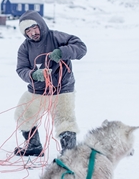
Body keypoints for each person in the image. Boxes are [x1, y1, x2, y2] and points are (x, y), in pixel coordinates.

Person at [13, 10, 87, 156]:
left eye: (34, 27)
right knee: (23, 114)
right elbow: (21, 69)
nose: (33, 33)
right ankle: (34, 147)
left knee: (65, 120)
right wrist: (33, 75)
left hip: (62, 88)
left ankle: (69, 155)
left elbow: (81, 48)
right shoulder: (24, 48)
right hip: (38, 89)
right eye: (28, 31)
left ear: (40, 25)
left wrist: (62, 52)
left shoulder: (56, 37)